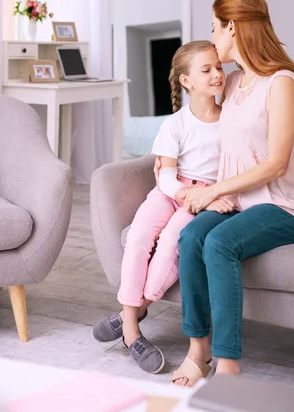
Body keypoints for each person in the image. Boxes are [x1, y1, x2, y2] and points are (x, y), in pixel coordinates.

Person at [166, 0, 294, 387]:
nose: (213, 37)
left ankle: (228, 366)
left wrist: (213, 191)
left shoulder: (282, 82)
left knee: (219, 243)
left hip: (282, 208)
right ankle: (198, 350)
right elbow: (196, 114)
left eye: (215, 28)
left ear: (232, 27)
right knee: (192, 235)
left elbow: (276, 164)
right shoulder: (231, 82)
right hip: (239, 204)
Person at [92, 40, 235, 375]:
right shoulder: (175, 124)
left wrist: (208, 196)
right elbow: (167, 178)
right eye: (207, 69)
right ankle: (132, 330)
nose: (217, 74)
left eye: (219, 67)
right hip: (172, 192)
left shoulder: (231, 120)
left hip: (202, 199)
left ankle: (132, 316)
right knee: (139, 237)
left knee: (172, 242)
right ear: (186, 81)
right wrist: (188, 194)